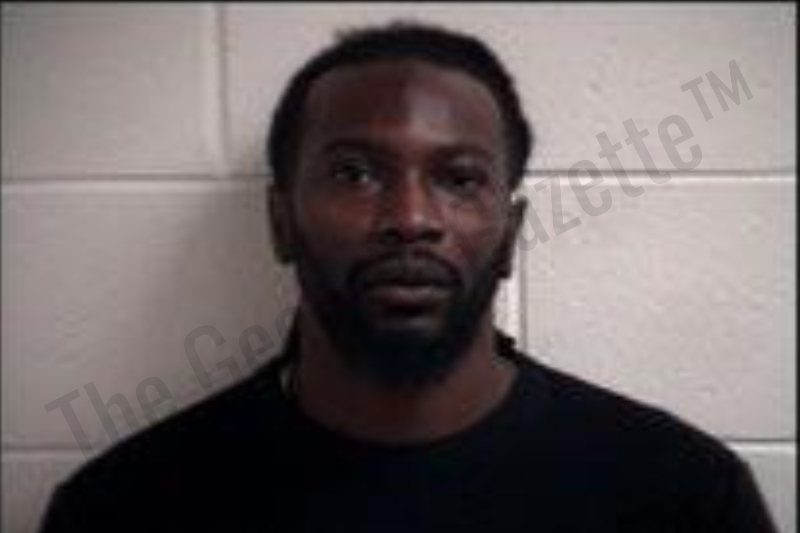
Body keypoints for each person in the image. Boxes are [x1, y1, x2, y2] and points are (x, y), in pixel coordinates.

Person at [39, 21, 778, 532]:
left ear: (511, 233)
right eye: (354, 173)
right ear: (280, 222)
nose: (410, 217)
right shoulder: (123, 509)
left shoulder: (681, 497)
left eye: (459, 178)